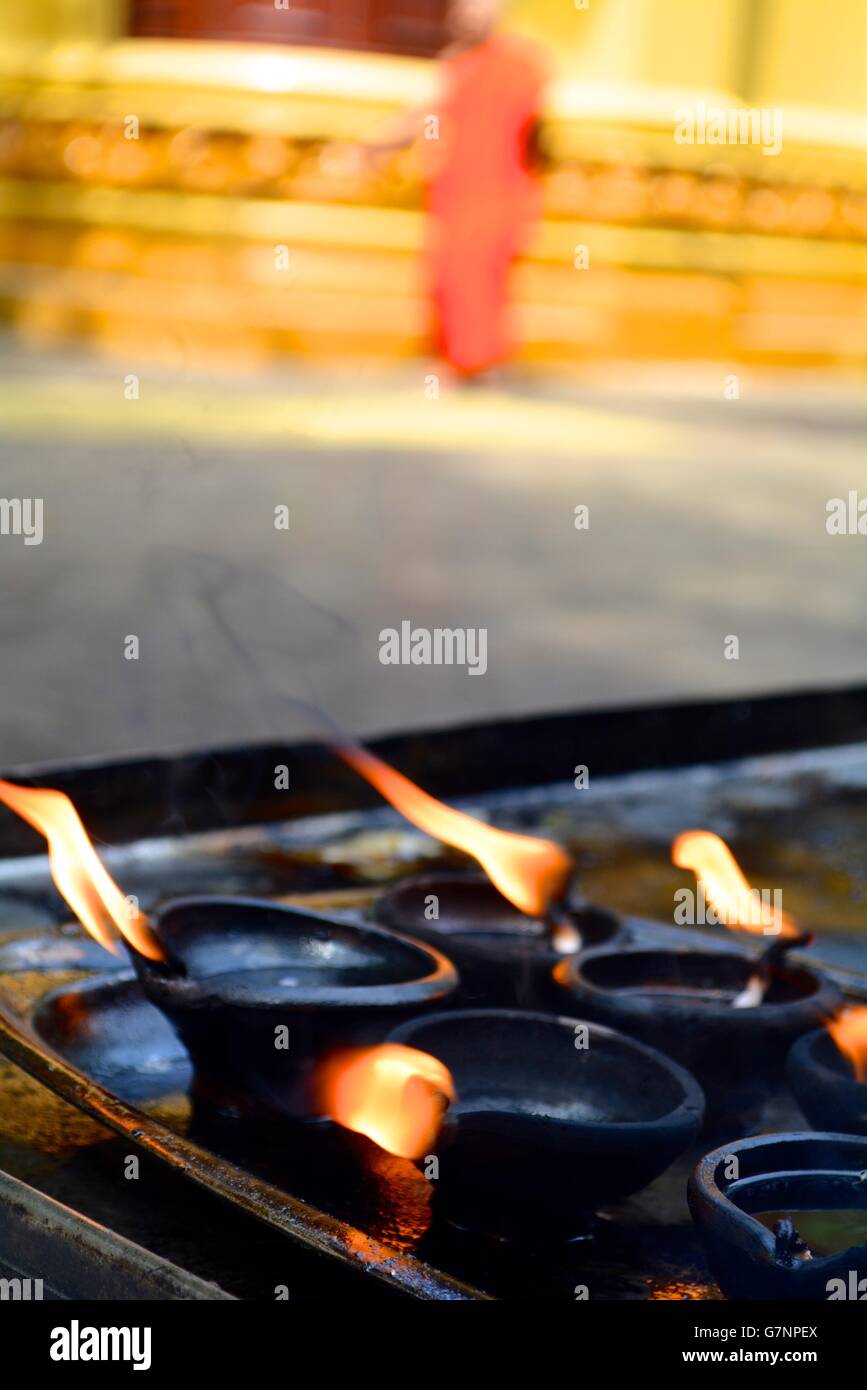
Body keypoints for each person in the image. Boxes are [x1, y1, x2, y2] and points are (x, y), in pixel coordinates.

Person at [364, 0, 550, 382]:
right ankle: (459, 360)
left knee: (487, 270)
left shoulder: (521, 64)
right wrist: (375, 146)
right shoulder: (455, 67)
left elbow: (537, 131)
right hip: (461, 185)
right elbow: (422, 116)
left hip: (502, 184)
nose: (473, 18)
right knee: (453, 269)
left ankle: (483, 361)